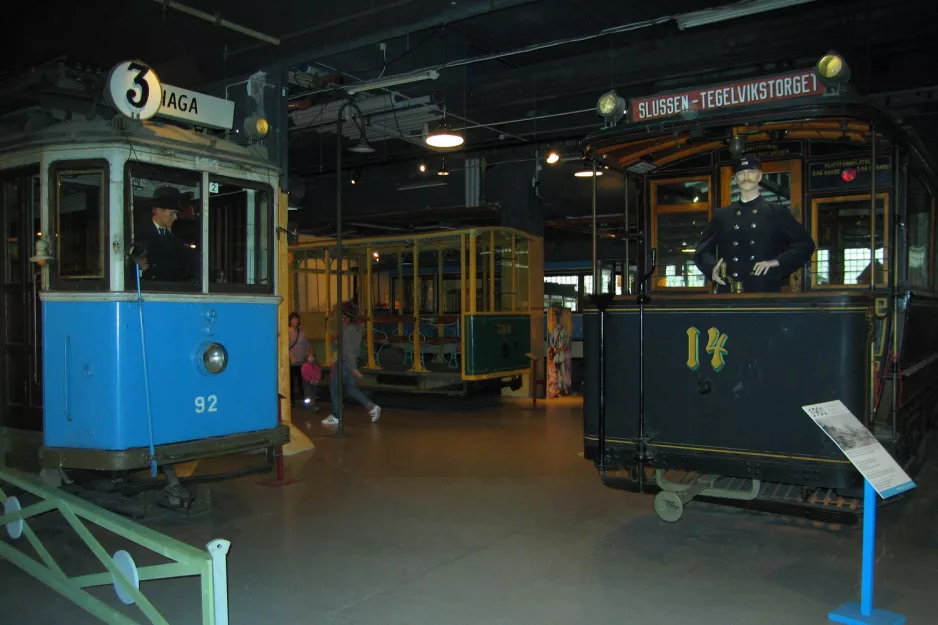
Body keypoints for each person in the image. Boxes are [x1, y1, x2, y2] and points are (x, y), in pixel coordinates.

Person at [694, 155, 816, 293]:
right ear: (735, 178)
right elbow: (701, 251)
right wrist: (712, 268)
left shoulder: (776, 212)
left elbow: (805, 244)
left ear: (759, 176)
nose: (746, 176)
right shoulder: (722, 215)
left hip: (763, 291)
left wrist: (777, 262)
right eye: (741, 173)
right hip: (728, 292)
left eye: (751, 172)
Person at [322, 301, 381, 425]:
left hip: (345, 362)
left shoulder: (347, 329)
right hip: (349, 361)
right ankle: (371, 407)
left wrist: (353, 368)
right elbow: (350, 346)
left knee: (334, 388)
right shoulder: (356, 327)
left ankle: (336, 415)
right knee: (351, 388)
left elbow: (348, 349)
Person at [129, 185, 197, 283]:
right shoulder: (138, 235)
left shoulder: (176, 240)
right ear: (159, 210)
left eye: (176, 214)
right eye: (172, 213)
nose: (175, 218)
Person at [288, 312, 309, 406]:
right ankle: (291, 401)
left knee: (302, 381)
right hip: (292, 361)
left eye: (297, 318)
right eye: (293, 319)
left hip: (302, 360)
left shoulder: (302, 331)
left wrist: (308, 353)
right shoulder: (287, 331)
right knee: (291, 381)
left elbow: (306, 343)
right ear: (289, 321)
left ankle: (305, 399)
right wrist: (291, 356)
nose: (296, 320)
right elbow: (285, 346)